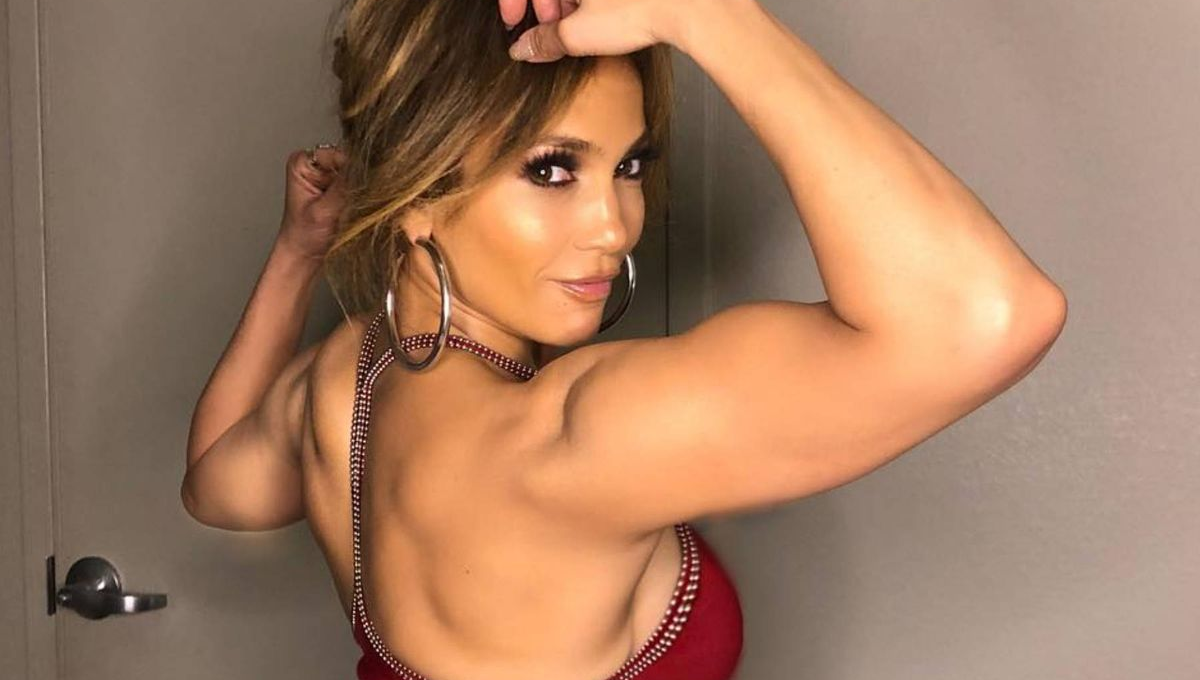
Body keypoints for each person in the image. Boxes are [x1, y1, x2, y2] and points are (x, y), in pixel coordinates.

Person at [181, 0, 1068, 678]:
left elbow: (213, 484)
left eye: (629, 165)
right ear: (415, 194)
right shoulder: (574, 440)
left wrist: (298, 251)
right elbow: (985, 316)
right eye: (551, 170)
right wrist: (711, 16)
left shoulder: (342, 379)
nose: (615, 225)